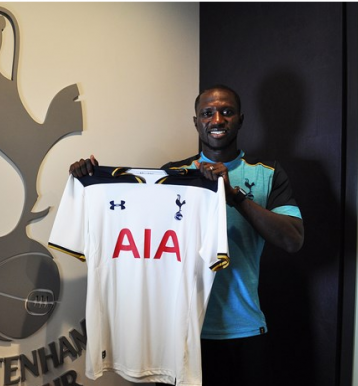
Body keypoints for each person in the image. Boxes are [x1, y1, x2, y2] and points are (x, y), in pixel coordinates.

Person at [68, 84, 304, 386]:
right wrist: (90, 180)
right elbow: (137, 230)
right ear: (196, 122)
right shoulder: (173, 175)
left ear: (240, 120)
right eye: (207, 113)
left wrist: (234, 196)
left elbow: (292, 239)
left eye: (226, 112)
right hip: (178, 334)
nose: (217, 120)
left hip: (243, 331)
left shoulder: (267, 173)